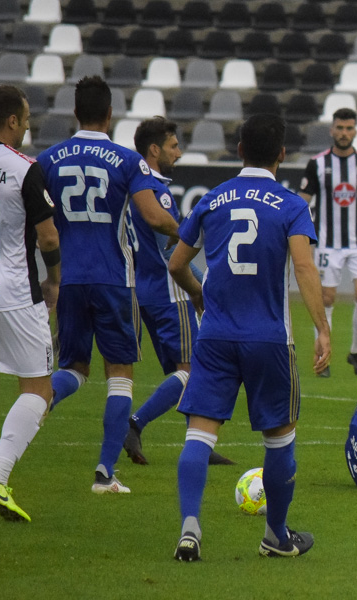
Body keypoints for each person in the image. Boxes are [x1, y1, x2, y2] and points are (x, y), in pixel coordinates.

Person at [167, 114, 330, 561]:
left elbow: (176, 263)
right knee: (279, 439)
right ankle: (276, 536)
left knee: (199, 436)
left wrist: (200, 296)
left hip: (216, 336)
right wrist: (322, 328)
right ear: (282, 154)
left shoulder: (212, 199)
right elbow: (303, 267)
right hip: (269, 340)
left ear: (239, 150)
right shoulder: (291, 204)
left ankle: (189, 528)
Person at [36, 76, 180, 495]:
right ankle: (104, 472)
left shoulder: (48, 159)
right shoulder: (125, 160)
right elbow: (154, 216)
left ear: (75, 112)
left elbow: (36, 223)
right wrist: (180, 231)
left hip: (71, 279)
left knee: (73, 369)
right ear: (110, 114)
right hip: (115, 279)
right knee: (120, 376)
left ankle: (41, 399)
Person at [0, 85, 60, 521]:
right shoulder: (24, 169)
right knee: (40, 387)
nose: (28, 126)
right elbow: (48, 235)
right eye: (26, 118)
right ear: (13, 121)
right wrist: (54, 279)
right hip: (14, 291)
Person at [121, 117, 232, 467]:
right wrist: (200, 288)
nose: (179, 153)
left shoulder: (134, 190)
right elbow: (173, 252)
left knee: (186, 369)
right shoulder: (157, 192)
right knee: (194, 371)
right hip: (171, 295)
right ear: (154, 150)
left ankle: (198, 443)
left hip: (144, 291)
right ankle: (135, 423)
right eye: (173, 146)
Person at [299, 107, 357, 378]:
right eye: (339, 128)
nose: (344, 133)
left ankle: (355, 351)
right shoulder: (317, 164)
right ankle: (323, 356)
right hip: (328, 243)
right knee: (326, 298)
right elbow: (302, 202)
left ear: (355, 131)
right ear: (332, 130)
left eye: (349, 128)